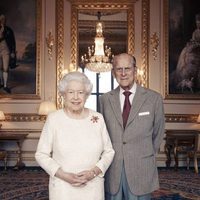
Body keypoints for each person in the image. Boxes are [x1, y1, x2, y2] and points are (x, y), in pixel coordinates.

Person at [35, 71, 115, 200]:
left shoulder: (97, 118)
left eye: (80, 92)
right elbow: (41, 154)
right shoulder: (54, 119)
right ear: (63, 95)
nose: (76, 97)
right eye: (71, 92)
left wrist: (93, 172)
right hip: (62, 188)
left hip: (92, 186)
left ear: (87, 95)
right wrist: (63, 175)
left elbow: (109, 152)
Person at [99, 53, 165, 200]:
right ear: (113, 72)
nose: (123, 73)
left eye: (127, 68)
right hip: (113, 167)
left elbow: (158, 133)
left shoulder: (154, 99)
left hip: (141, 166)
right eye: (119, 69)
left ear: (135, 70)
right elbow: (101, 134)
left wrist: (143, 153)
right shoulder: (104, 100)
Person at [0, 14, 16, 93]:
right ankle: (1, 83)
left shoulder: (9, 30)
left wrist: (13, 51)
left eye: (4, 19)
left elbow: (13, 41)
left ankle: (5, 86)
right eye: (1, 19)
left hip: (6, 51)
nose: (2, 20)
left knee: (5, 68)